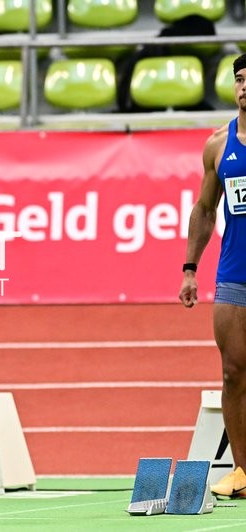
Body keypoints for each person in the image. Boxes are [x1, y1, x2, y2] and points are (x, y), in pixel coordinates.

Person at [180, 53, 246, 498]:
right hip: (234, 274)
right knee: (233, 373)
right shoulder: (219, 145)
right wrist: (189, 268)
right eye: (239, 80)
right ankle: (243, 471)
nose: (244, 87)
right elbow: (205, 209)